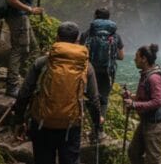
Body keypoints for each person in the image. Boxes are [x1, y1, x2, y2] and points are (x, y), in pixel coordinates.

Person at [12, 21, 102, 164]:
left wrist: (19, 120)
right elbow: (94, 99)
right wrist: (97, 125)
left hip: (42, 123)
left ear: (57, 38)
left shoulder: (42, 62)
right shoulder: (86, 66)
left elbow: (24, 93)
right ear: (77, 40)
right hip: (71, 125)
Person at [5, 0, 75, 97]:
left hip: (21, 17)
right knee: (18, 49)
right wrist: (30, 9)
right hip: (17, 17)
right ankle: (12, 86)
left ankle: (28, 80)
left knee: (34, 49)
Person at [79, 8, 124, 130]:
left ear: (95, 16)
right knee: (103, 100)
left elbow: (79, 52)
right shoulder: (115, 35)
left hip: (89, 70)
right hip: (107, 72)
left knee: (87, 97)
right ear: (109, 18)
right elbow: (121, 56)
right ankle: (98, 129)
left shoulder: (87, 33)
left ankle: (82, 126)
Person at [124, 43, 161, 164]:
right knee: (133, 152)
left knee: (154, 159)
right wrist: (131, 96)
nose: (134, 59)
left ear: (144, 59)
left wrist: (134, 105)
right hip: (146, 121)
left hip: (154, 124)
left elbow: (157, 101)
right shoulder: (146, 74)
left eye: (136, 56)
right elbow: (145, 97)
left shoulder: (154, 78)